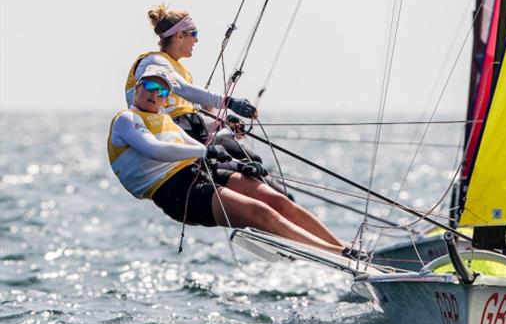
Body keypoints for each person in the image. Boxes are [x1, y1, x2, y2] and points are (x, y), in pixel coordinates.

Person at [109, 66, 346, 254]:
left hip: (197, 173)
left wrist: (238, 164)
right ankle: (336, 253)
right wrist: (206, 153)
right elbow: (155, 150)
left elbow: (196, 147)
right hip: (175, 193)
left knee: (278, 201)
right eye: (150, 86)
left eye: (162, 92)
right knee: (260, 212)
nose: (154, 94)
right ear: (138, 88)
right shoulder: (126, 119)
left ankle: (345, 248)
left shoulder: (165, 120)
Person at [124, 4, 257, 145]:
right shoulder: (154, 61)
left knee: (252, 160)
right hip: (158, 137)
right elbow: (184, 90)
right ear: (180, 36)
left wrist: (223, 123)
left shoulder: (184, 72)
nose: (196, 40)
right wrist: (228, 102)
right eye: (194, 34)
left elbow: (190, 116)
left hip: (181, 132)